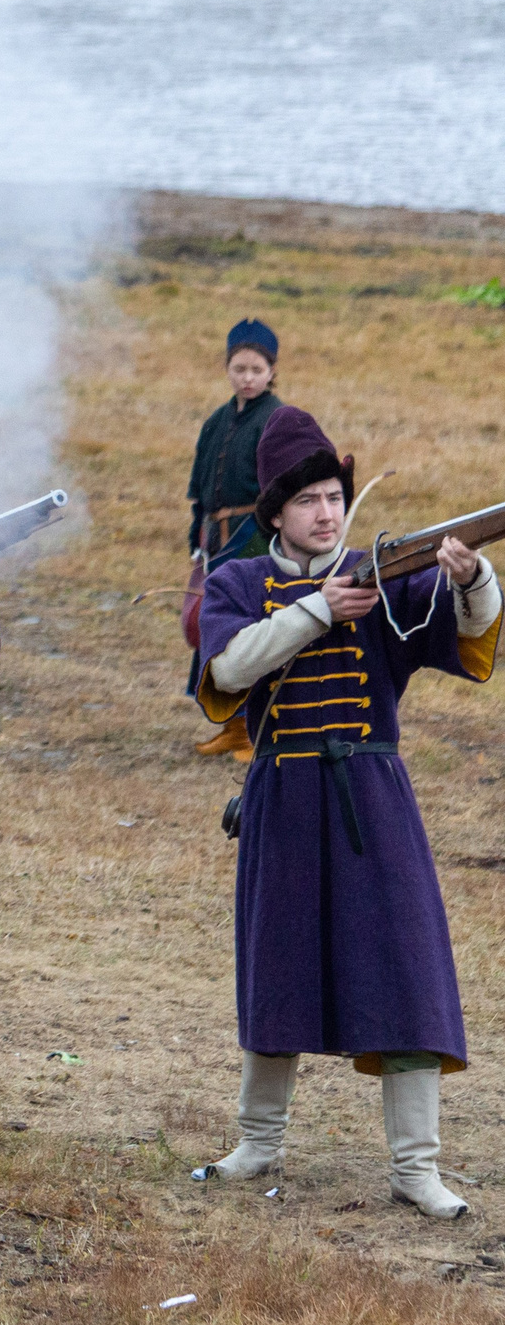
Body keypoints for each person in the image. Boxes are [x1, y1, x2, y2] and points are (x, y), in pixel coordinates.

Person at [189, 406, 497, 1219]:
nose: (327, 513)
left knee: (406, 971)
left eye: (334, 497)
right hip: (283, 795)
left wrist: (472, 580)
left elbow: (471, 637)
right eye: (310, 501)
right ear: (278, 515)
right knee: (276, 966)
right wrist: (320, 609)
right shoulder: (238, 583)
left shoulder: (386, 572)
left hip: (372, 796)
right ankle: (258, 1145)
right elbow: (227, 669)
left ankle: (415, 1168)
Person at [183, 317, 284, 758]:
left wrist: (264, 545)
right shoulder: (215, 422)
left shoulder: (278, 420)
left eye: (256, 370)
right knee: (214, 625)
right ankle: (229, 724)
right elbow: (199, 493)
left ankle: (250, 727)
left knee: (248, 630)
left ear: (271, 372)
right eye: (239, 369)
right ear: (228, 369)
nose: (247, 378)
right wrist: (197, 541)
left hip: (256, 539)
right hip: (215, 538)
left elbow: (285, 491)